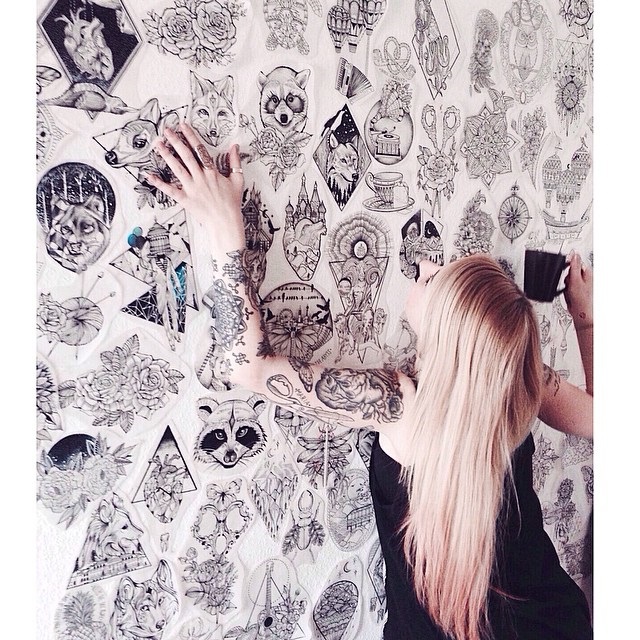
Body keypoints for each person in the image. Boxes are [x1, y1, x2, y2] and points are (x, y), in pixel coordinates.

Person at [147, 124, 593, 640]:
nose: (425, 263)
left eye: (434, 277)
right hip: (555, 623)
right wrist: (585, 320)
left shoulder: (399, 404)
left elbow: (248, 367)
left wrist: (226, 226)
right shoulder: (521, 376)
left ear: (444, 332)